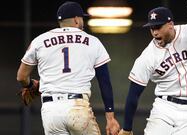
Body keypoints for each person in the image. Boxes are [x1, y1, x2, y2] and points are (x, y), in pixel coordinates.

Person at [118, 6, 187, 135]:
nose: (154, 32)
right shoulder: (147, 57)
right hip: (164, 108)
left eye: (158, 27)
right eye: (152, 28)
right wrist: (126, 128)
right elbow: (133, 94)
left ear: (170, 24)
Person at [16, 1, 120, 135]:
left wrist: (31, 85)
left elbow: (21, 77)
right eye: (82, 18)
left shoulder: (39, 41)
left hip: (50, 110)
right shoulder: (92, 41)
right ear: (76, 20)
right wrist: (110, 118)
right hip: (77, 106)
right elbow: (104, 81)